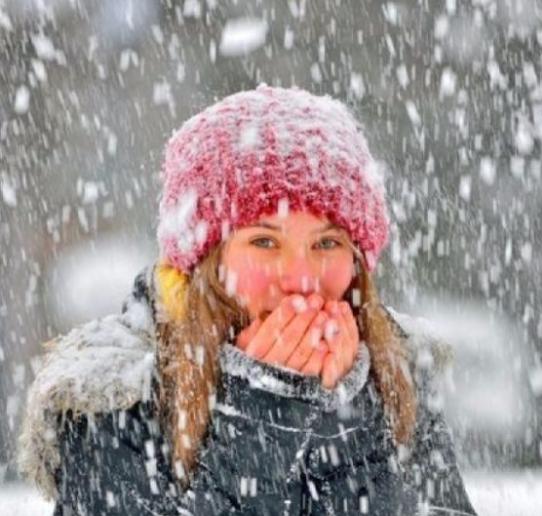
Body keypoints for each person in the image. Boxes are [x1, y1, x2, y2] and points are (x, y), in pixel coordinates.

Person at [17, 86, 478, 515]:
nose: (301, 279)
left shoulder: (393, 371)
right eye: (263, 242)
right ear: (205, 263)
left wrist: (347, 418)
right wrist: (262, 419)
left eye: (327, 244)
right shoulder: (115, 395)